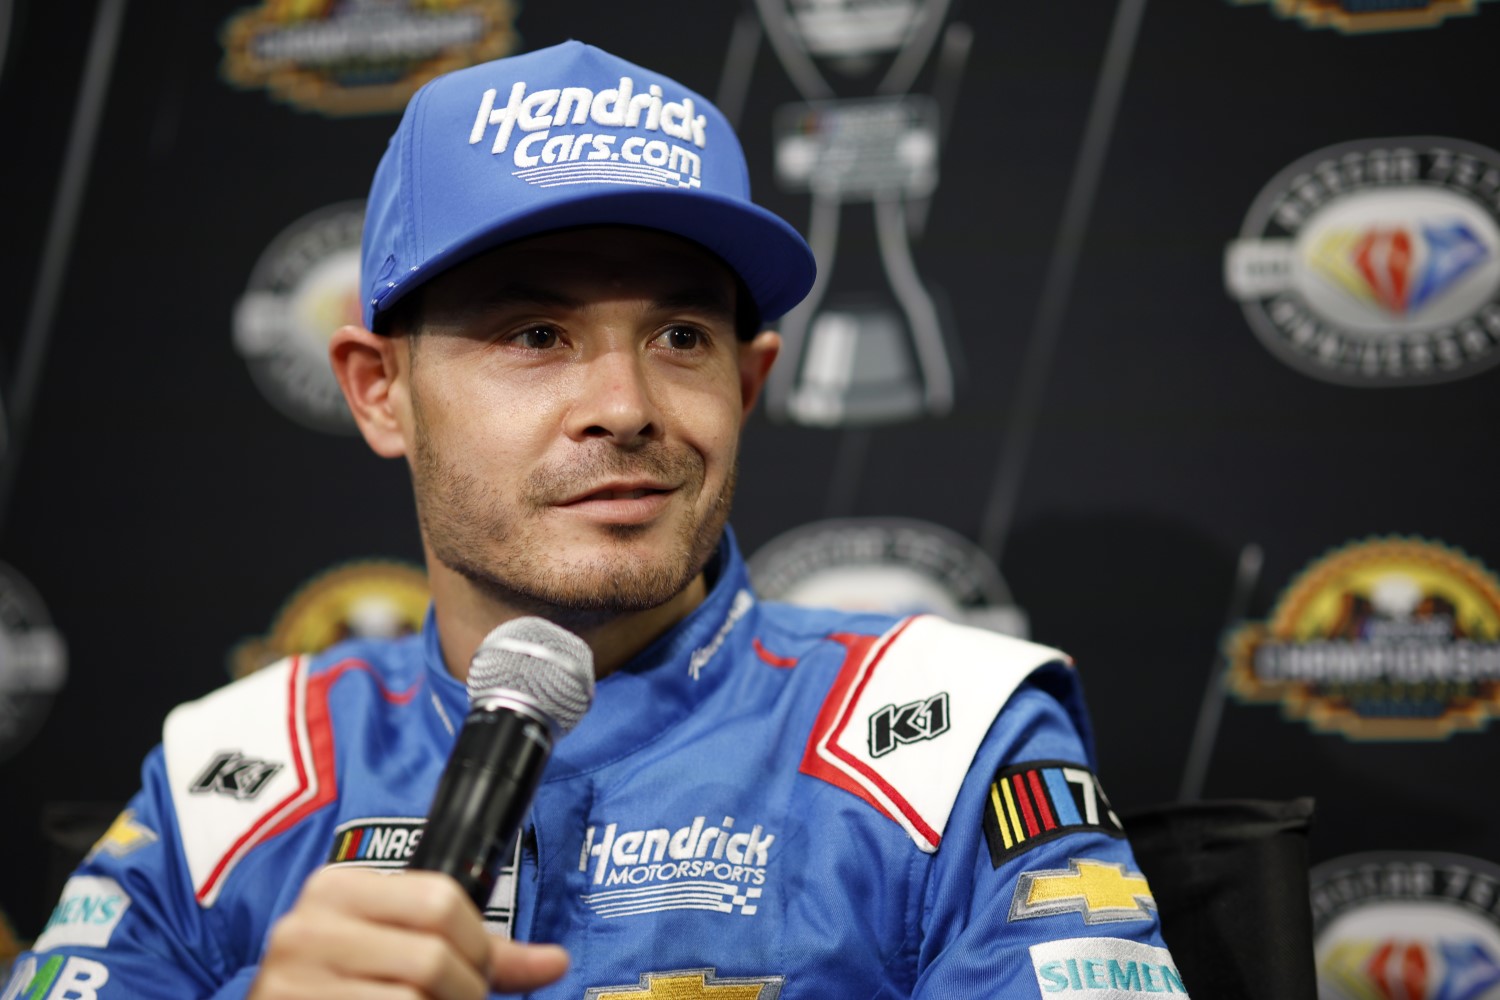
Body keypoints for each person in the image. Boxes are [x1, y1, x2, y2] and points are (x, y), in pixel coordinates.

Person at [3, 41, 1188, 1000]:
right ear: (378, 391)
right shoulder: (228, 772)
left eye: (681, 337)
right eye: (534, 336)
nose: (624, 406)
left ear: (749, 381)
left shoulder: (948, 741)